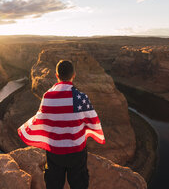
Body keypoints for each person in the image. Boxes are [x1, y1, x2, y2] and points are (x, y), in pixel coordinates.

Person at [18, 60, 105, 189]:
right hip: (77, 151)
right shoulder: (81, 97)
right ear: (73, 75)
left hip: (55, 152)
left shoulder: (48, 96)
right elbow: (93, 120)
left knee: (53, 183)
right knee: (79, 184)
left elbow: (41, 118)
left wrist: (25, 128)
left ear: (56, 75)